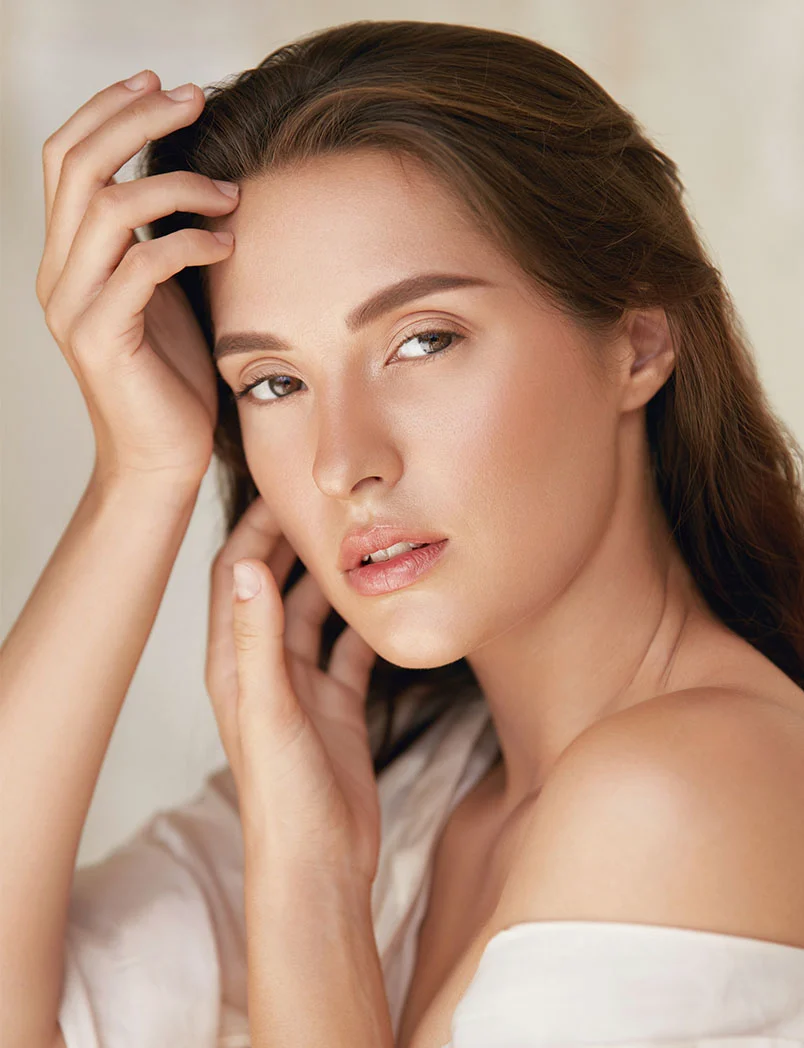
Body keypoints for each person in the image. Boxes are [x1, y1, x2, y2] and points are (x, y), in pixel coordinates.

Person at [2, 18, 804, 1048]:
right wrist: (141, 474)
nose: (344, 462)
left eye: (423, 341)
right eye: (273, 381)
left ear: (639, 343)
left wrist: (311, 897)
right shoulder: (414, 778)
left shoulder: (686, 791)